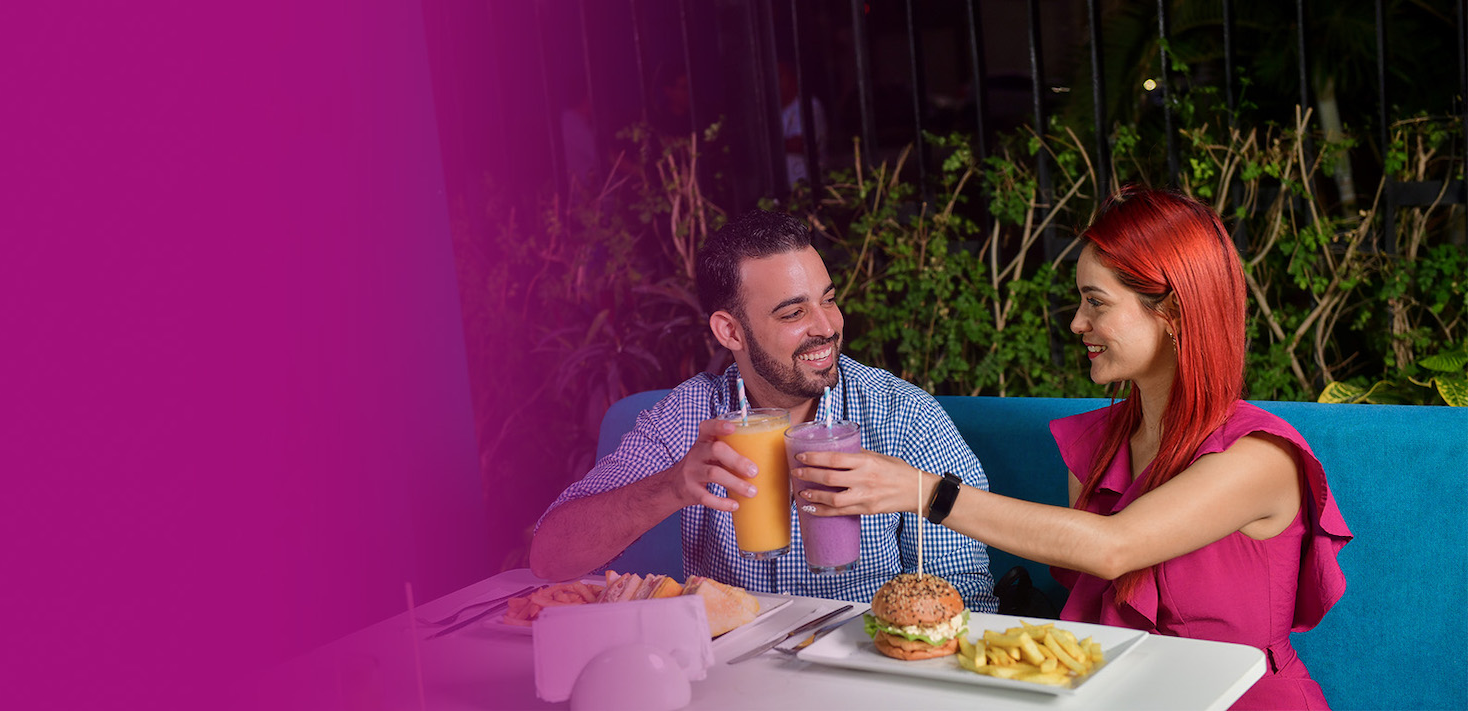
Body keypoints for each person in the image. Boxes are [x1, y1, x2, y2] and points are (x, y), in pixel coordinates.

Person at [791, 186, 1351, 710]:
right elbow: (1079, 565)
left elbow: (1112, 548)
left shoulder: (1258, 457)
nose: (1078, 322)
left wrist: (922, 492)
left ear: (1174, 312)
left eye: (1096, 302)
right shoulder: (1101, 447)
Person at [530, 209, 999, 608]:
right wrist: (672, 486)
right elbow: (550, 556)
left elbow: (969, 598)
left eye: (829, 300)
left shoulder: (903, 417)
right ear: (730, 332)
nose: (827, 327)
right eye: (794, 313)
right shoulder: (690, 416)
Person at [777, 62, 826, 187]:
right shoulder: (779, 111)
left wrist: (770, 145)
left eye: (780, 75)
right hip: (787, 187)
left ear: (792, 76)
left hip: (807, 185)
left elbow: (802, 143)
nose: (776, 82)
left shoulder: (809, 105)